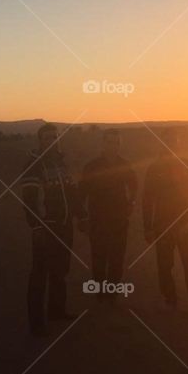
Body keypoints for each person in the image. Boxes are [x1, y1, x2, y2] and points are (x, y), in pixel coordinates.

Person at [20, 123, 85, 336]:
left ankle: (57, 310)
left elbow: (72, 192)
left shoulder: (61, 162)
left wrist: (82, 214)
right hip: (46, 227)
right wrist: (37, 225)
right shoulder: (34, 165)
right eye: (48, 137)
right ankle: (36, 323)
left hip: (65, 225)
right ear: (40, 140)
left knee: (61, 270)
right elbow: (30, 200)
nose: (52, 140)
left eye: (55, 137)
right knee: (39, 274)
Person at [142, 128, 188, 313]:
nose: (171, 145)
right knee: (165, 265)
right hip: (163, 224)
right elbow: (147, 199)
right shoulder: (154, 169)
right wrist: (148, 227)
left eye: (174, 141)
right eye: (168, 141)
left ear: (178, 143)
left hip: (187, 224)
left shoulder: (187, 164)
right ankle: (170, 300)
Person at [80, 129, 137, 303]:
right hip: (97, 219)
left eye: (116, 142)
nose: (113, 146)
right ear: (103, 143)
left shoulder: (124, 164)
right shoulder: (92, 166)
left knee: (117, 257)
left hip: (119, 220)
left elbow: (133, 185)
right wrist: (82, 217)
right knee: (99, 256)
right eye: (110, 142)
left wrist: (131, 203)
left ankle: (112, 293)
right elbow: (82, 192)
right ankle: (101, 292)